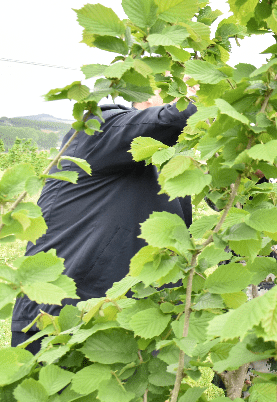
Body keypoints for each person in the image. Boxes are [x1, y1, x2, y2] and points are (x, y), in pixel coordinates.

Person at [11, 92, 197, 354]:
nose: (186, 93)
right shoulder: (100, 126)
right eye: (176, 85)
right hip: (59, 321)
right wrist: (208, 99)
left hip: (128, 324)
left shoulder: (170, 163)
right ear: (146, 94)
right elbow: (171, 117)